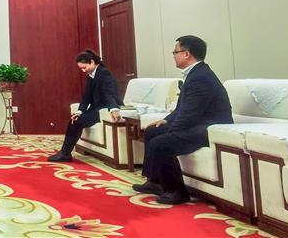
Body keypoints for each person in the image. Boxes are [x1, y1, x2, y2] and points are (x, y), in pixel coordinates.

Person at [132, 35, 233, 204]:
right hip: (198, 122)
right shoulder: (195, 73)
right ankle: (155, 181)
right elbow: (183, 107)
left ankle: (177, 192)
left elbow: (190, 114)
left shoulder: (201, 77)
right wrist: (167, 120)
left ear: (186, 54)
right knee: (152, 131)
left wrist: (172, 132)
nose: (173, 56)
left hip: (210, 128)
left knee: (160, 143)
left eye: (175, 52)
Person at [48, 49, 122, 162]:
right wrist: (80, 111)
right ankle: (65, 152)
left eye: (84, 67)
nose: (83, 71)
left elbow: (109, 93)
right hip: (96, 108)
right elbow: (86, 96)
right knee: (74, 120)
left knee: (76, 122)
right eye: (81, 69)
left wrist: (113, 109)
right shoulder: (91, 75)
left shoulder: (104, 73)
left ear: (92, 62)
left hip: (104, 109)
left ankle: (65, 153)